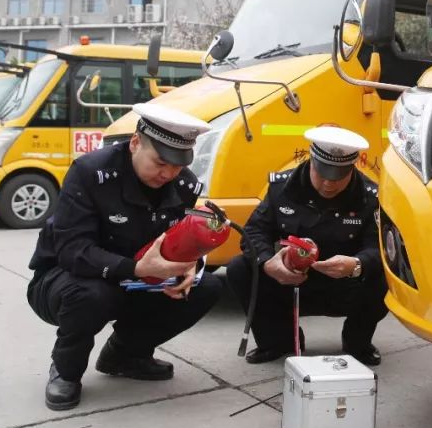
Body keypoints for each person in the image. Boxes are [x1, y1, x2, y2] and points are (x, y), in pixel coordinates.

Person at [27, 103, 222, 411]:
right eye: (160, 162)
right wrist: (134, 267)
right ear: (135, 143)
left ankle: (126, 354)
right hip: (66, 279)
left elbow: (180, 240)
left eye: (177, 165)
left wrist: (189, 266)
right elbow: (72, 250)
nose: (168, 173)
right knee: (93, 294)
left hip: (137, 279)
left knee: (206, 287)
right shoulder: (90, 173)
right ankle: (65, 370)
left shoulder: (183, 184)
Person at [226, 126, 387, 366]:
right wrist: (269, 263)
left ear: (352, 168)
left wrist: (356, 264)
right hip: (289, 282)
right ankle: (278, 341)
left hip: (343, 284)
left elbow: (379, 247)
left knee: (384, 275)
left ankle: (358, 342)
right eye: (322, 173)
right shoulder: (282, 188)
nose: (328, 183)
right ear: (311, 160)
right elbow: (253, 232)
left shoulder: (370, 196)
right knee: (240, 268)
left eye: (337, 176)